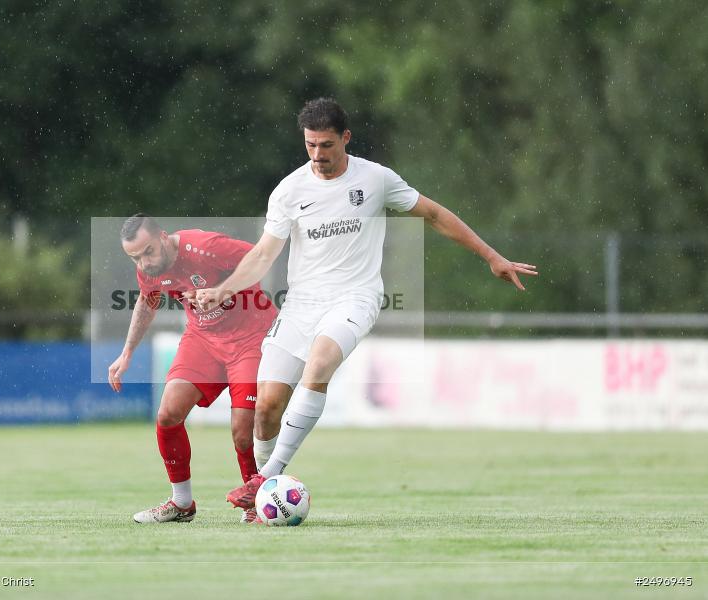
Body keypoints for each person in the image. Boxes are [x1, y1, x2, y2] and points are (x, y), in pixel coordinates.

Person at [194, 98, 538, 509]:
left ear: (346, 138)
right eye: (310, 146)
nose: (318, 156)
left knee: (320, 363)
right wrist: (224, 289)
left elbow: (434, 214)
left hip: (355, 297)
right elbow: (264, 253)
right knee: (266, 407)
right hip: (302, 304)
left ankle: (264, 480)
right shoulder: (289, 190)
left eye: (326, 145)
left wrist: (492, 256)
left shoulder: (375, 180)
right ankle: (263, 493)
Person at [108, 214, 278, 523]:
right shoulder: (149, 267)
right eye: (135, 257)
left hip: (251, 337)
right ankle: (182, 504)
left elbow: (260, 257)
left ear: (162, 237)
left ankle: (257, 503)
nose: (144, 263)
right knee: (168, 414)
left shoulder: (205, 247)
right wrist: (127, 352)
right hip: (203, 339)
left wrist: (223, 291)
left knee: (243, 433)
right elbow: (148, 301)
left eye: (148, 252)